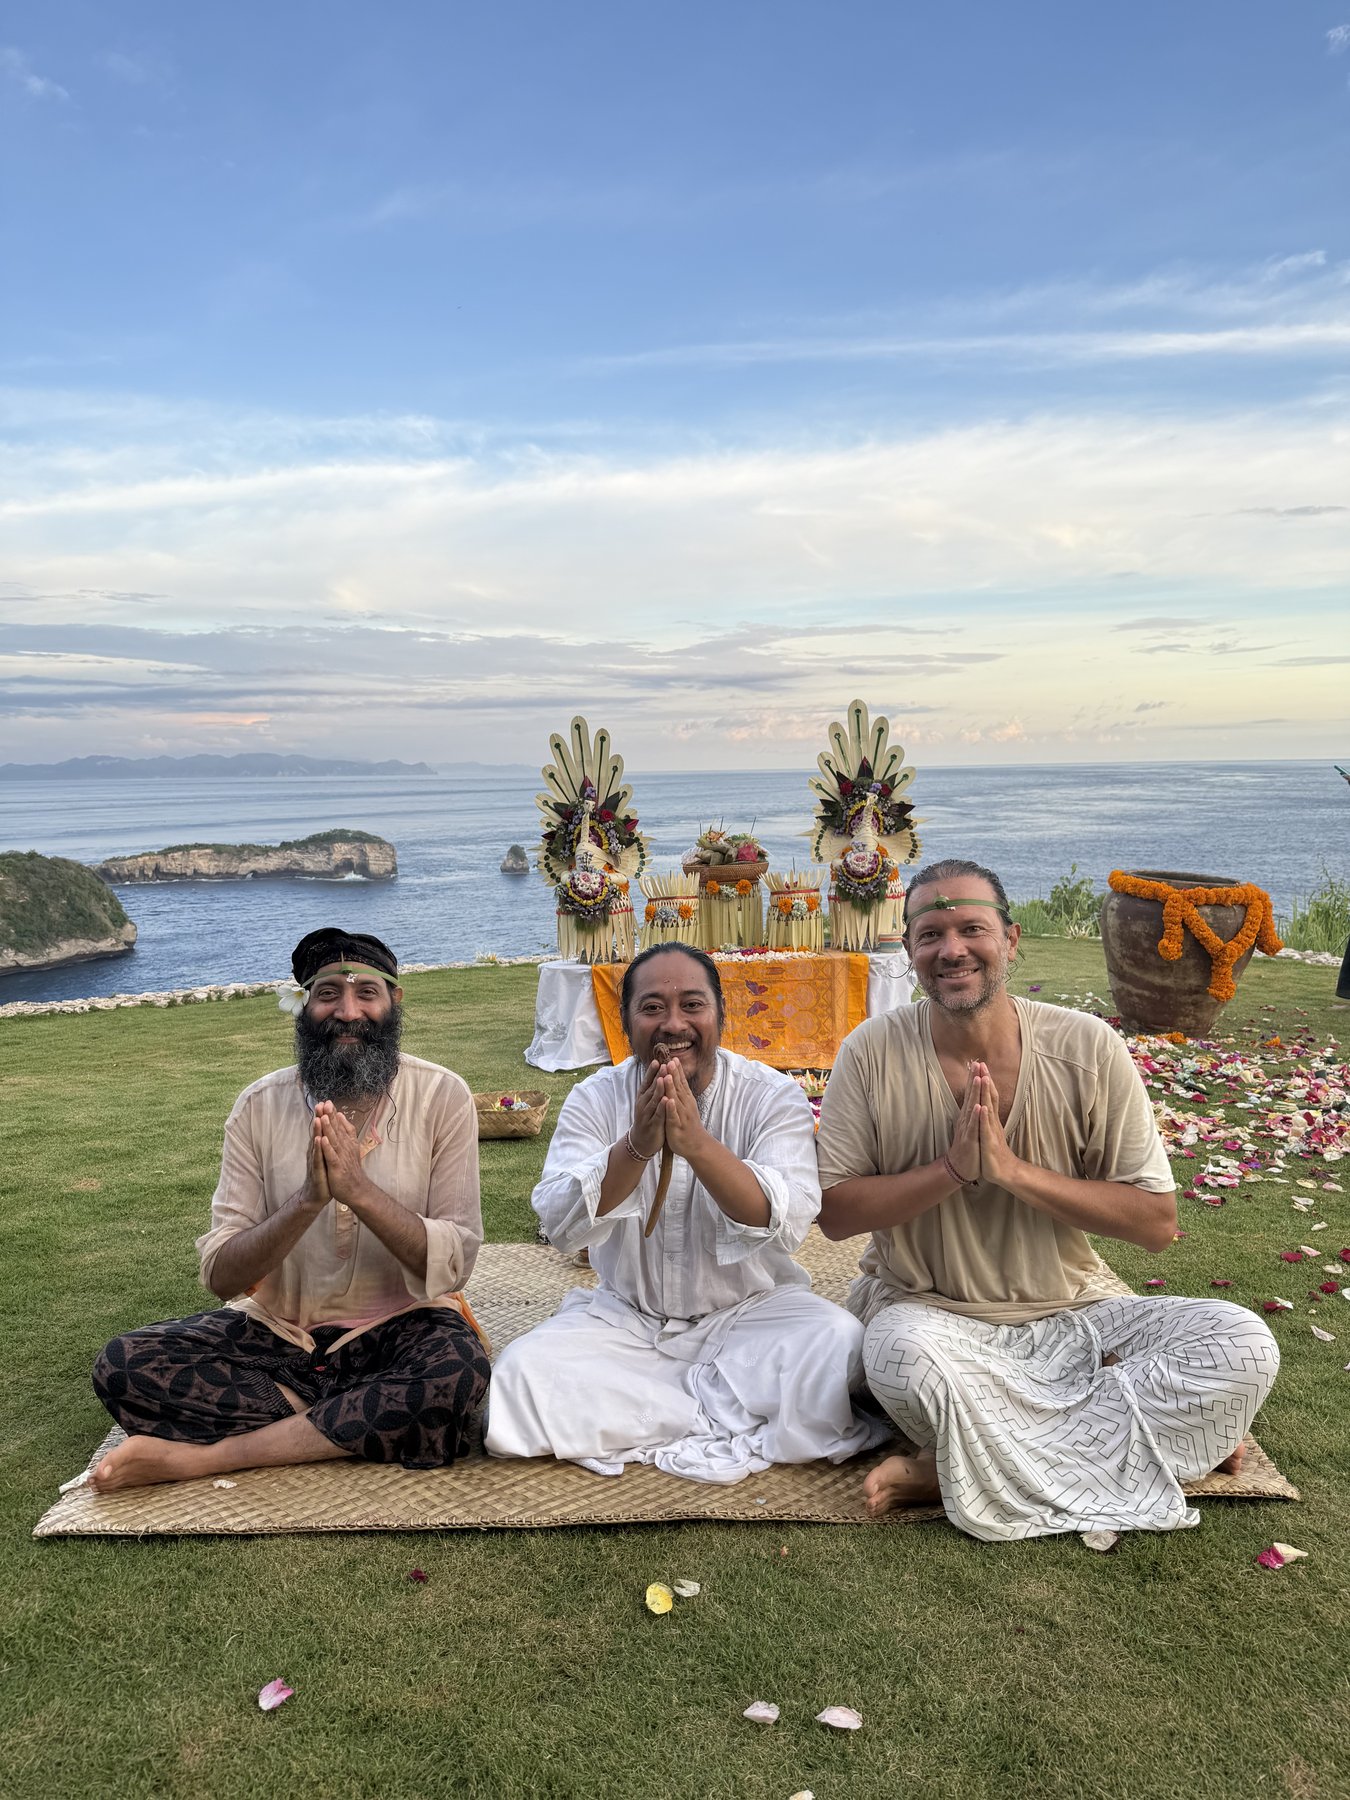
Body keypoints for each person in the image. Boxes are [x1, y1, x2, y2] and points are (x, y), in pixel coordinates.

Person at [816, 859, 1280, 1541]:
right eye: (930, 934)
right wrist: (950, 1169)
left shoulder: (1088, 1047)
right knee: (894, 1355)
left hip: (1081, 1323)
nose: (952, 950)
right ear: (910, 951)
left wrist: (1009, 1171)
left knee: (1244, 1343)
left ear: (1011, 938)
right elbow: (835, 1215)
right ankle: (1153, 1444)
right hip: (935, 1322)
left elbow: (1155, 1224)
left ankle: (945, 1470)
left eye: (972, 928)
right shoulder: (870, 1052)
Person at [90, 928, 489, 1491]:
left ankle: (208, 1458)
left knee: (455, 1371)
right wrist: (309, 1199)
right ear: (304, 1006)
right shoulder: (257, 1106)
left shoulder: (443, 1097)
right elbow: (223, 1276)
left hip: (403, 1329)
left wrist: (358, 1191)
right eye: (328, 993)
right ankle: (354, 1422)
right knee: (124, 1364)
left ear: (394, 1002)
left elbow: (458, 1261)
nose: (348, 1013)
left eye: (367, 993)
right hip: (279, 1336)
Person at [485, 943, 885, 1483]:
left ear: (720, 1015)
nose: (673, 1024)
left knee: (840, 1344)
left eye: (692, 1005)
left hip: (751, 1317)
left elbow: (786, 1220)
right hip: (627, 1321)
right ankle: (724, 1414)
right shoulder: (595, 1098)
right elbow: (560, 1223)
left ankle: (649, 1414)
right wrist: (638, 1145)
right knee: (516, 1379)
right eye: (652, 1008)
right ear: (625, 1021)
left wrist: (697, 1144)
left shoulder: (770, 1097)